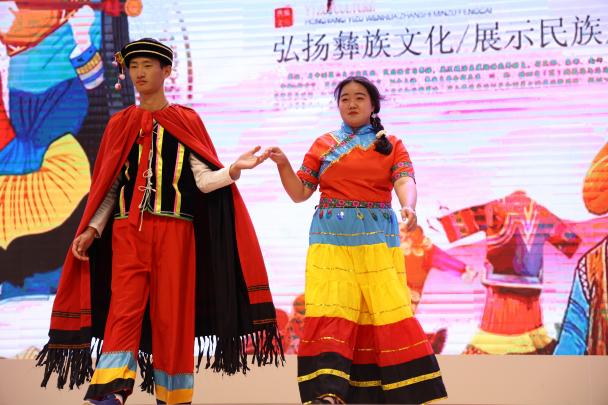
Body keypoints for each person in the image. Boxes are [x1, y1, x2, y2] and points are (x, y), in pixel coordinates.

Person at [35, 38, 284, 405]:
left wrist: (233, 169)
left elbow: (203, 180)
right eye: (134, 66)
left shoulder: (186, 120)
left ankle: (173, 396)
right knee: (123, 310)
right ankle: (111, 391)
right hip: (127, 230)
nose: (139, 73)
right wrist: (92, 228)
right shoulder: (120, 123)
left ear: (166, 71)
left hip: (176, 231)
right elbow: (109, 185)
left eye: (148, 65)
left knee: (173, 315)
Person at [266, 76, 447, 404]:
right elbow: (299, 193)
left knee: (384, 312)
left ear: (373, 105)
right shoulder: (323, 143)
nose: (351, 103)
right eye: (345, 98)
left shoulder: (391, 144)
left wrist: (408, 205)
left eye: (359, 97)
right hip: (330, 242)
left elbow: (404, 179)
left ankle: (404, 395)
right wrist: (283, 165)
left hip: (377, 242)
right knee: (331, 310)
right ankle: (329, 393)